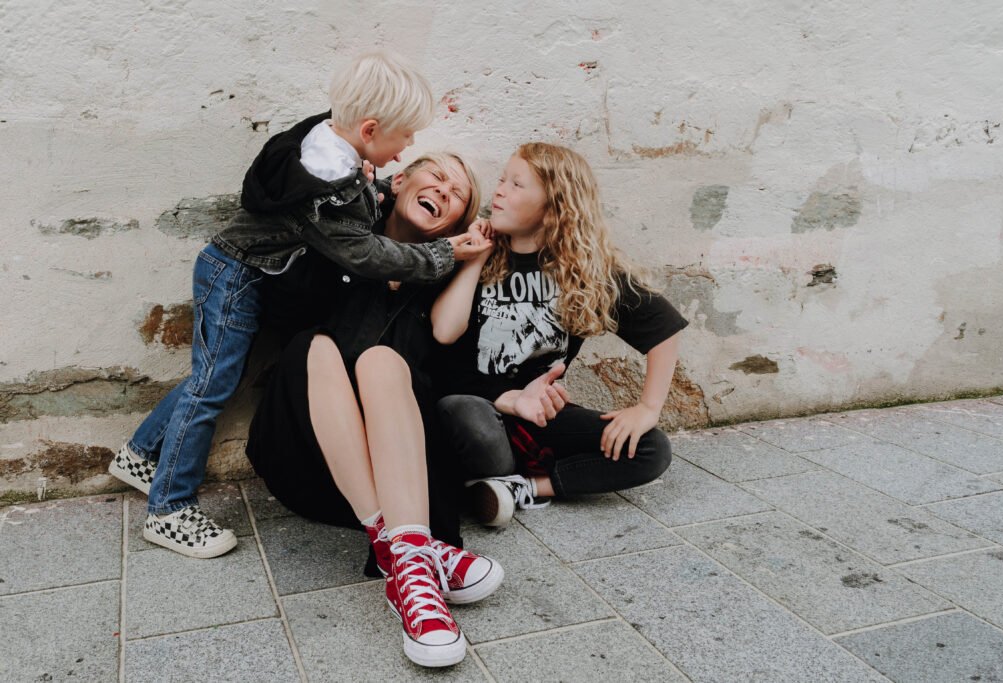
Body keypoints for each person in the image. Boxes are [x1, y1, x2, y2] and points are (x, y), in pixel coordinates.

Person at [107, 51, 488, 558]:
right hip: (238, 273)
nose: (409, 148)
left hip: (247, 270)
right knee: (212, 383)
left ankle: (140, 454)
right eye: (405, 137)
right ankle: (169, 508)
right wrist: (442, 252)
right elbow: (362, 250)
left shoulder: (331, 151)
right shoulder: (326, 186)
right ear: (370, 130)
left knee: (221, 374)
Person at [246, 152, 503, 668]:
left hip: (398, 482)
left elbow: (448, 337)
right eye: (438, 176)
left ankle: (404, 560)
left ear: (454, 225)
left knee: (385, 362)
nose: (446, 191)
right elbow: (276, 305)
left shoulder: (435, 281)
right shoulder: (341, 236)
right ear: (401, 180)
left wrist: (468, 260)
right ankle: (422, 553)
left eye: (458, 195)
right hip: (305, 454)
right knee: (312, 347)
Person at [430, 142, 688, 527]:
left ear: (554, 208)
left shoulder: (584, 272)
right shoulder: (476, 249)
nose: (499, 190)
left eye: (517, 184)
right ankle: (488, 481)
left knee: (652, 448)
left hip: (539, 419)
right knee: (464, 411)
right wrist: (476, 257)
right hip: (478, 409)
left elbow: (663, 328)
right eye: (502, 180)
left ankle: (524, 488)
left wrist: (647, 409)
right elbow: (443, 336)